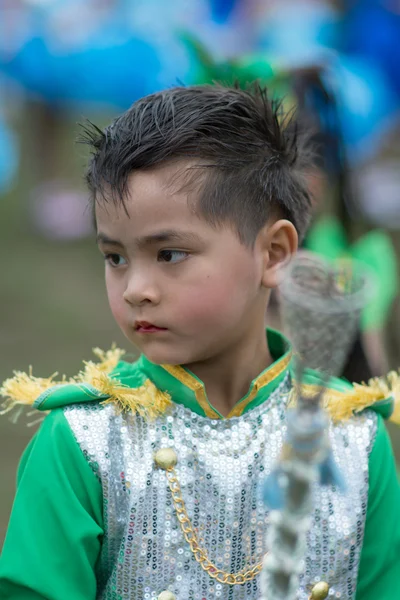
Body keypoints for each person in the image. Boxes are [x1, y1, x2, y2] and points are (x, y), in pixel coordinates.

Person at [1, 83, 400, 600]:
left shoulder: (355, 440)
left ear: (274, 253)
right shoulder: (81, 442)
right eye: (115, 257)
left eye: (169, 254)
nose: (136, 290)